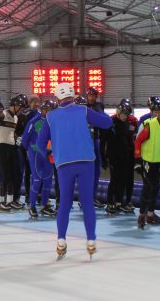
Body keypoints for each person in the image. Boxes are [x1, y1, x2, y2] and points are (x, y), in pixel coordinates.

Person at [35, 82, 113, 259]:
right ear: (73, 96)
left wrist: (48, 154)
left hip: (64, 164)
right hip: (86, 161)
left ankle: (61, 240)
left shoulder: (50, 116)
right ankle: (91, 240)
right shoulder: (84, 110)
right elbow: (107, 123)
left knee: (65, 202)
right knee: (87, 202)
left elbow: (39, 144)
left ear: (57, 98)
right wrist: (99, 111)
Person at [0, 95, 24, 212]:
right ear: (15, 106)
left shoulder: (16, 118)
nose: (22, 110)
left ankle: (10, 201)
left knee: (12, 174)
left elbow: (12, 132)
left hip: (12, 146)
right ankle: (1, 201)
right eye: (21, 107)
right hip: (2, 147)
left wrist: (16, 137)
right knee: (5, 174)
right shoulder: (3, 114)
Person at [101, 99, 136, 216]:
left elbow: (129, 141)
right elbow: (103, 141)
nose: (125, 116)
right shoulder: (110, 123)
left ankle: (119, 202)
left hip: (125, 156)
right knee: (115, 179)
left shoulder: (126, 123)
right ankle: (110, 202)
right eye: (124, 114)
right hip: (113, 156)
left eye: (127, 115)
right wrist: (103, 157)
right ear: (119, 112)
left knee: (123, 179)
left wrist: (133, 156)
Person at [28, 99, 57, 217]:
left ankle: (44, 206)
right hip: (36, 155)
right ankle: (32, 206)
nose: (48, 112)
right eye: (47, 110)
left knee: (48, 181)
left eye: (51, 110)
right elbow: (25, 139)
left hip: (49, 155)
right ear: (43, 110)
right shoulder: (34, 121)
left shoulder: (55, 123)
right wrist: (30, 151)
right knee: (37, 181)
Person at [84, 87, 106, 208]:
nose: (91, 98)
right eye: (90, 95)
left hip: (96, 140)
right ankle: (85, 198)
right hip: (84, 143)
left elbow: (102, 122)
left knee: (96, 171)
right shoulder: (82, 107)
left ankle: (92, 197)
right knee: (86, 172)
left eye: (93, 96)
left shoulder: (99, 107)